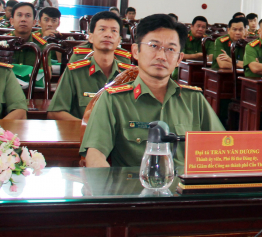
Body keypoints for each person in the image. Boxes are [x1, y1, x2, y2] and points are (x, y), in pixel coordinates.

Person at [81, 14, 224, 171]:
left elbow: (221, 149)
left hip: (183, 192)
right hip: (131, 191)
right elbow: (95, 155)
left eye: (170, 49)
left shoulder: (194, 100)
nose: (161, 56)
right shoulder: (113, 100)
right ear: (136, 51)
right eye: (153, 46)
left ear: (179, 59)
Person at [48, 11, 132, 121]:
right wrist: (87, 128)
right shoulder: (75, 72)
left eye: (114, 31)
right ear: (91, 37)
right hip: (83, 135)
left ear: (119, 41)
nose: (108, 34)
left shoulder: (129, 75)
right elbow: (55, 112)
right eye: (102, 29)